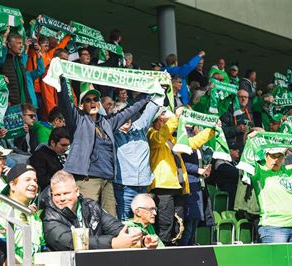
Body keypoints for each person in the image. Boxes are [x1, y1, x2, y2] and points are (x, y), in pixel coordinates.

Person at [57, 78, 151, 217]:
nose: (93, 102)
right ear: (82, 106)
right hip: (88, 180)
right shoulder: (78, 120)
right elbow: (65, 102)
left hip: (108, 180)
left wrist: (148, 94)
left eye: (95, 99)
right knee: (88, 218)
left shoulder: (108, 122)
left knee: (111, 220)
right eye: (88, 100)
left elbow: (130, 110)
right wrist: (62, 80)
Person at [147, 109, 215, 245]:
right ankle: (162, 252)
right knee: (165, 224)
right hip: (163, 187)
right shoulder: (151, 134)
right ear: (160, 119)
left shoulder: (172, 139)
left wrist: (211, 130)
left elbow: (192, 143)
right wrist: (176, 118)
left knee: (179, 224)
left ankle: (174, 250)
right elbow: (160, 137)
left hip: (178, 186)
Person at [42, 170, 142, 250]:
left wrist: (142, 239)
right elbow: (69, 242)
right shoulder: (50, 217)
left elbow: (115, 227)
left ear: (77, 191)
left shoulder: (91, 206)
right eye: (57, 195)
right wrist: (112, 243)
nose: (62, 198)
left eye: (66, 193)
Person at [0, 164, 45, 265]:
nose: (33, 184)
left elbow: (42, 250)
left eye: (35, 180)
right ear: (12, 185)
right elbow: (0, 255)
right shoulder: (0, 213)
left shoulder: (35, 218)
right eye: (27, 180)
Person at [113, 100, 160, 221]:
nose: (126, 119)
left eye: (128, 115)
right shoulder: (112, 133)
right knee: (124, 222)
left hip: (143, 186)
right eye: (121, 116)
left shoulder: (139, 127)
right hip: (124, 187)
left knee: (143, 222)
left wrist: (161, 86)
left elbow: (152, 107)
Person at [1, 33, 31, 105]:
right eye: (19, 43)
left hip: (23, 104)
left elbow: (24, 86)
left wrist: (29, 102)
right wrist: (7, 100)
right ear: (9, 45)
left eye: (22, 43)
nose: (21, 46)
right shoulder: (2, 61)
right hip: (8, 105)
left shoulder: (19, 62)